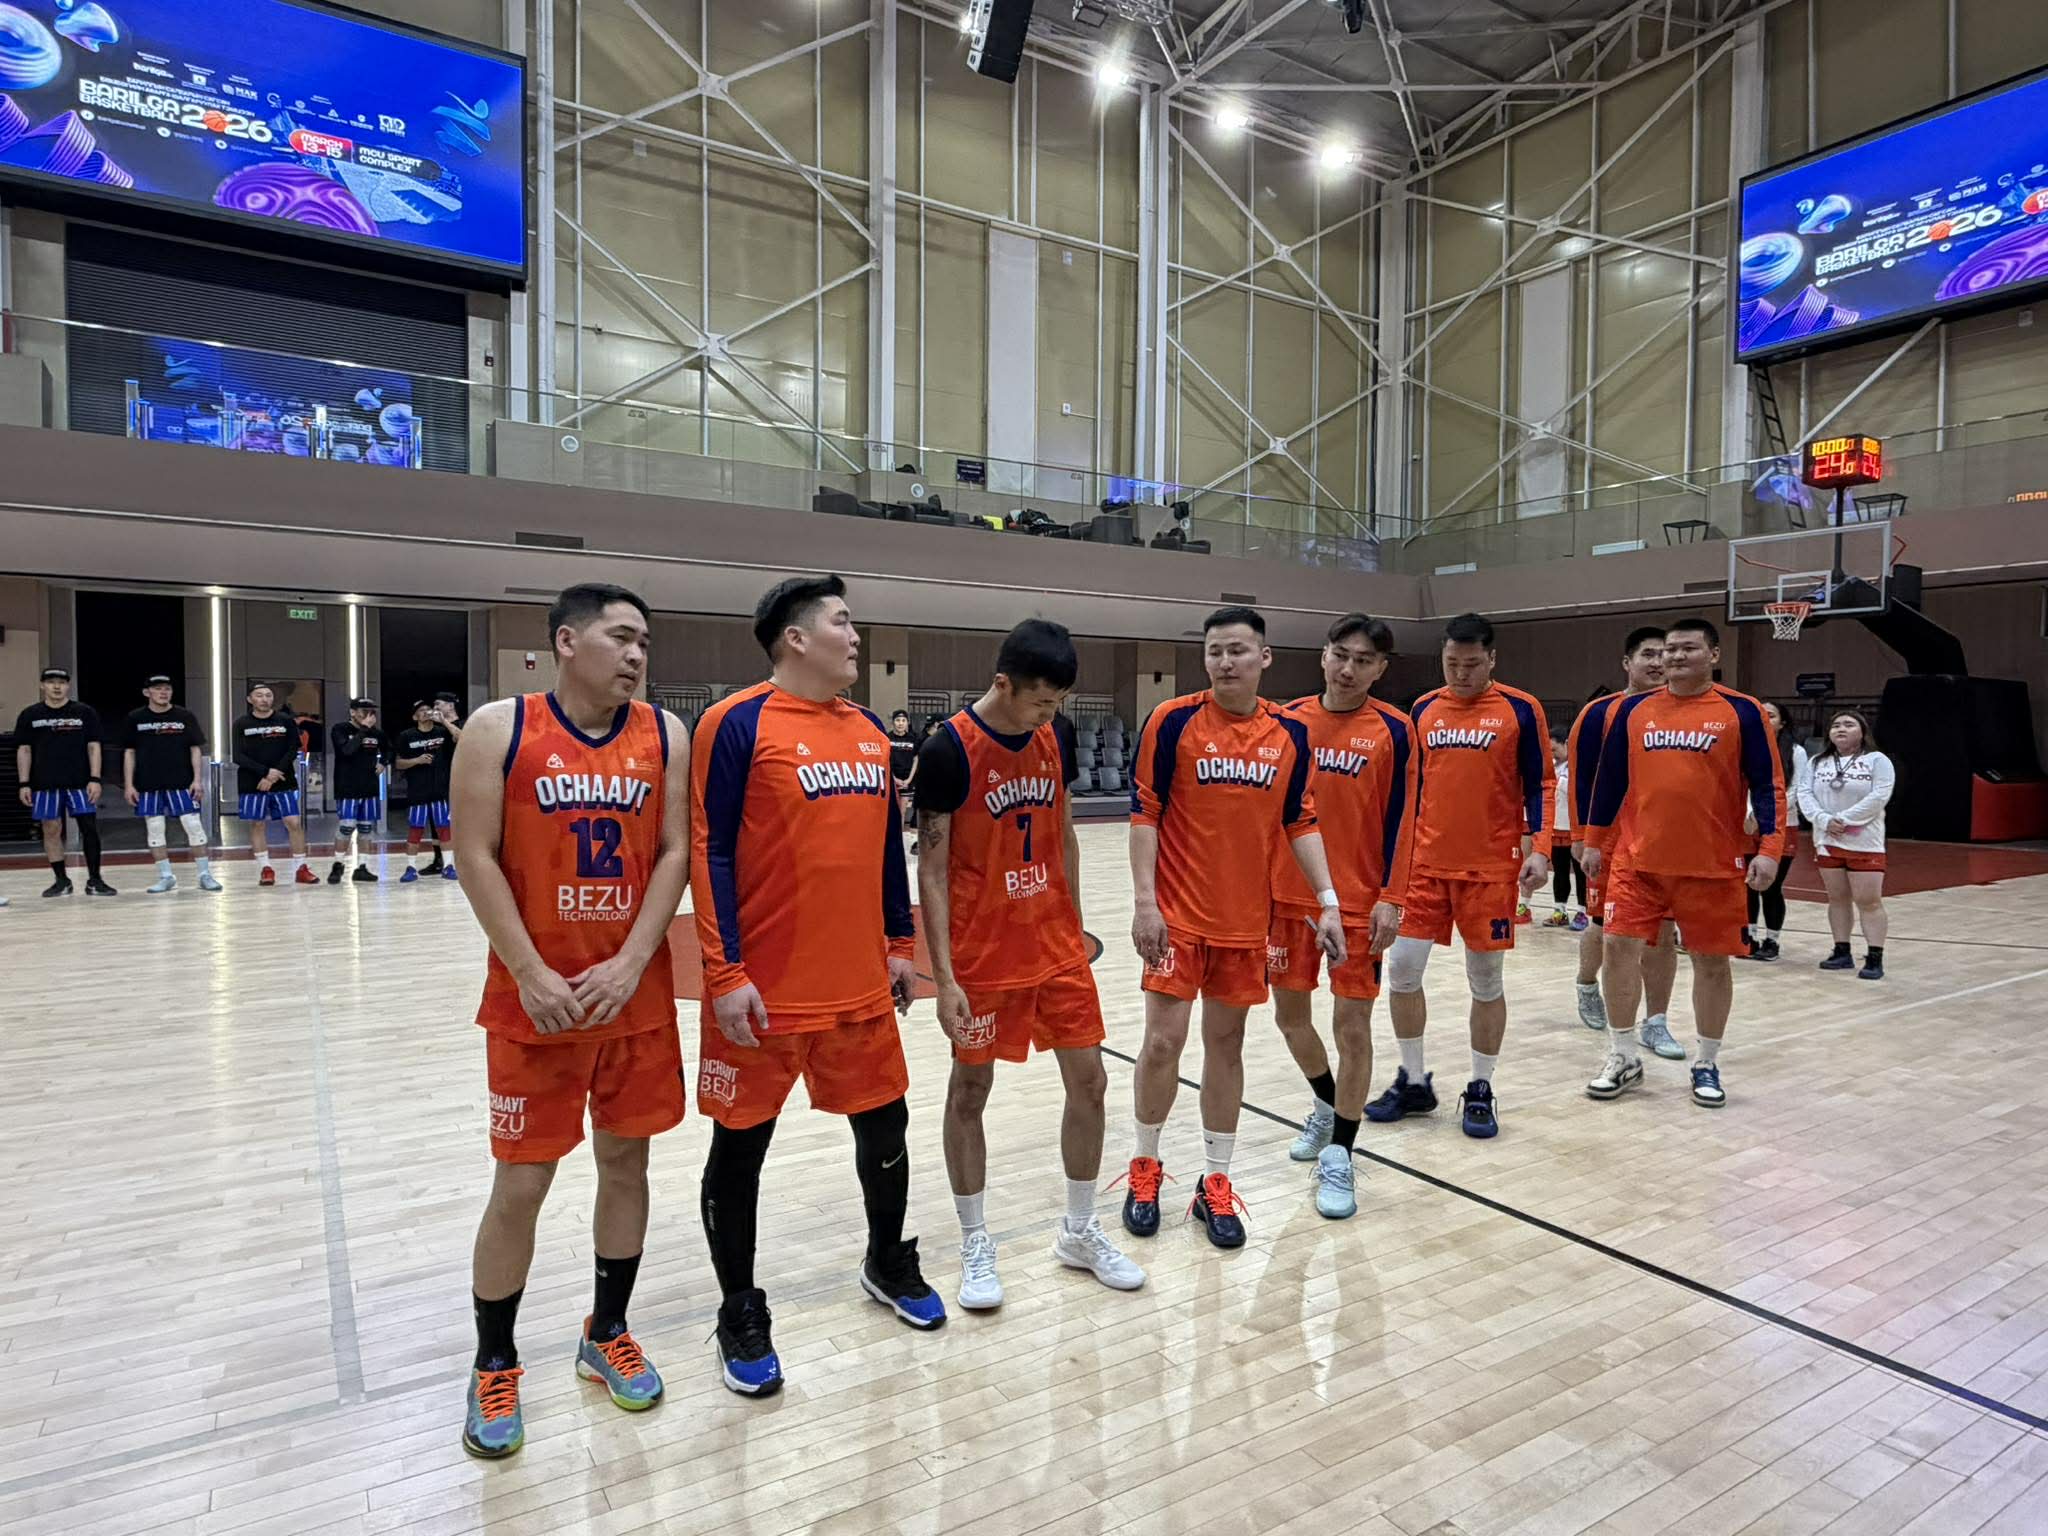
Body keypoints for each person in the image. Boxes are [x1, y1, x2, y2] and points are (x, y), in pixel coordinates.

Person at [448, 582, 689, 1460]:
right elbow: (474, 854)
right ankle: (494, 1361)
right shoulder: (498, 729)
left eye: (644, 642)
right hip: (534, 1002)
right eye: (621, 637)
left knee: (627, 1165)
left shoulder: (665, 734)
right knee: (522, 1184)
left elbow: (674, 851)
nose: (636, 655)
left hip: (634, 1001)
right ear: (565, 641)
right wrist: (530, 972)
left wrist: (631, 961)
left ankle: (606, 1331)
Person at [691, 573, 938, 1400]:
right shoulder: (735, 723)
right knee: (741, 1151)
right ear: (795, 638)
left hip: (859, 982)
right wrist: (724, 973)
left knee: (887, 1127)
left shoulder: (869, 732)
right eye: (842, 622)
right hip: (762, 992)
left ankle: (887, 1260)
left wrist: (900, 943)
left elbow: (885, 852)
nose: (856, 636)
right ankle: (739, 1307)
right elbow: (709, 851)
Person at [916, 618, 1144, 1307]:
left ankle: (1078, 1230)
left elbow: (1063, 832)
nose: (1050, 714)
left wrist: (1076, 926)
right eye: (1041, 701)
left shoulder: (1056, 735)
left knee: (1092, 1082)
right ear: (1003, 684)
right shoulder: (948, 748)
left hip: (1054, 946)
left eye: (1058, 703)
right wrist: (944, 978)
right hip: (984, 955)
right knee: (970, 1091)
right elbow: (931, 871)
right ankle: (975, 1240)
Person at [1123, 605, 1343, 1249]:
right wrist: (1145, 904)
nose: (1225, 662)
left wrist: (1328, 900)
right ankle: (1145, 1166)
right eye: (1215, 651)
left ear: (1264, 658)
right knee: (1162, 1044)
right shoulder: (1172, 720)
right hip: (1177, 920)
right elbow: (1145, 812)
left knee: (1226, 1047)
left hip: (1246, 924)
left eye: (1238, 650)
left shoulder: (1290, 734)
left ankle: (1215, 1181)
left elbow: (1300, 821)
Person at [1582, 618, 1786, 1109]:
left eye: (1688, 648)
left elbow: (1768, 783)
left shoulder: (1742, 711)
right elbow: (1609, 780)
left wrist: (1770, 848)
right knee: (1617, 948)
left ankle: (1707, 1062)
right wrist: (1593, 841)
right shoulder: (1634, 710)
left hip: (1712, 865)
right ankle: (1623, 1055)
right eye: (1668, 649)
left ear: (1713, 654)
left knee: (1711, 963)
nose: (1674, 657)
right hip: (1637, 861)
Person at [1368, 613, 1551, 1139]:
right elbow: (1409, 788)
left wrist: (1540, 849)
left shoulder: (1520, 708)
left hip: (1490, 872)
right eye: (1452, 663)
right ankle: (1413, 1081)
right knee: (1402, 972)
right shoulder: (1424, 708)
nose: (1461, 673)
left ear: (1491, 659)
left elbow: (1540, 784)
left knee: (1486, 980)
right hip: (1423, 868)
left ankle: (1480, 1087)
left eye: (1471, 664)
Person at [1268, 613, 1414, 1220]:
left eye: (1363, 660)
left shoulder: (1396, 730)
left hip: (1358, 904)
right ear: (1323, 656)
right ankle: (1328, 1105)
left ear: (1381, 669)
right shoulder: (1285, 720)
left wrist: (1393, 896)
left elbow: (1407, 818)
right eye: (1341, 655)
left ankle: (1341, 1154)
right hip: (1286, 898)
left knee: (1352, 1028)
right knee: (1290, 1019)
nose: (1349, 669)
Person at [1564, 627, 1683, 1059]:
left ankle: (1657, 1022)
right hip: (1610, 838)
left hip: (1663, 840)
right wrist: (1582, 836)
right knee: (1605, 928)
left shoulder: (1682, 712)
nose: (1657, 662)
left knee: (1663, 932)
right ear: (1627, 663)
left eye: (1664, 654)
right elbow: (1580, 776)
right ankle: (1586, 983)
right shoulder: (1599, 713)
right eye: (1648, 654)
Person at [1800, 708, 1894, 981]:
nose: (1841, 729)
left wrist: (1844, 819)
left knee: (1869, 901)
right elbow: (1805, 793)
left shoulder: (1877, 760)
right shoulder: (1817, 762)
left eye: (1849, 724)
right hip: (1827, 840)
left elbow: (1879, 796)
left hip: (1865, 843)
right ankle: (1841, 950)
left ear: (1862, 732)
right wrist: (1823, 820)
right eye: (1836, 725)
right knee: (1837, 898)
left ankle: (1875, 956)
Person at [14, 667, 113, 897]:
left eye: (61, 682)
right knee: (51, 829)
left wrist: (95, 778)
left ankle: (95, 880)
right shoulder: (30, 714)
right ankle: (61, 880)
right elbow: (24, 750)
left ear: (68, 685)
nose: (56, 686)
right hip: (44, 783)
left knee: (89, 828)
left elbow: (94, 746)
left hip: (80, 782)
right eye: (51, 682)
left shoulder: (84, 712)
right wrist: (24, 783)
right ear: (42, 686)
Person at [122, 674, 219, 894]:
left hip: (181, 782)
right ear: (147, 692)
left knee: (194, 827)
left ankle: (204, 874)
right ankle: (166, 876)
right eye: (158, 689)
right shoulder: (135, 718)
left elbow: (195, 749)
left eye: (167, 688)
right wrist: (129, 785)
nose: (163, 692)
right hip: (148, 784)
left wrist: (197, 779)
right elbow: (129, 752)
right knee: (155, 829)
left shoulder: (184, 716)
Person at [1742, 700, 1807, 960]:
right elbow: (1742, 786)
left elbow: (1796, 790)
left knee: (1771, 885)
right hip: (1749, 824)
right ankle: (1749, 937)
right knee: (1747, 884)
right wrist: (1750, 813)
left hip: (1782, 825)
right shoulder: (1746, 747)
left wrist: (1766, 815)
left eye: (1770, 715)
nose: (1764, 720)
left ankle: (1772, 940)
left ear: (1782, 723)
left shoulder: (1796, 752)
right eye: (1760, 715)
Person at [233, 682, 315, 886]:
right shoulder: (241, 723)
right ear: (250, 699)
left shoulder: (285, 720)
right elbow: (238, 755)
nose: (264, 699)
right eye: (259, 695)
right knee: (257, 824)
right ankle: (266, 869)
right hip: (252, 782)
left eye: (268, 695)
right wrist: (264, 772)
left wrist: (273, 774)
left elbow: (293, 749)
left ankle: (301, 868)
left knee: (293, 823)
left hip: (282, 780)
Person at [329, 698, 390, 884]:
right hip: (347, 786)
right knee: (346, 826)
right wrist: (363, 730)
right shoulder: (340, 729)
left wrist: (383, 762)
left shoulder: (377, 733)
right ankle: (338, 864)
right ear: (353, 712)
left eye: (372, 711)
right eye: (364, 711)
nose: (369, 715)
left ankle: (362, 867)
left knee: (366, 827)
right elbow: (346, 751)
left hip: (369, 786)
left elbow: (389, 750)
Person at [396, 700, 458, 882]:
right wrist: (417, 760)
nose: (425, 712)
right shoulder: (406, 736)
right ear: (415, 717)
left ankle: (448, 866)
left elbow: (461, 737)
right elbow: (398, 763)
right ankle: (410, 868)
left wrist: (444, 721)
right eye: (421, 710)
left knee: (444, 829)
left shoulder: (442, 732)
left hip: (439, 790)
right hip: (418, 791)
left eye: (428, 709)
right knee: (416, 829)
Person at [1543, 730, 1585, 928]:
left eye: (1555, 749)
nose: (1552, 754)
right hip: (1556, 828)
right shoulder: (1551, 768)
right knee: (1559, 872)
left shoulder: (1579, 767)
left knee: (1580, 873)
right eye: (1549, 751)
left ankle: (1583, 912)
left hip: (1575, 829)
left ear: (1566, 744)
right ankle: (1560, 910)